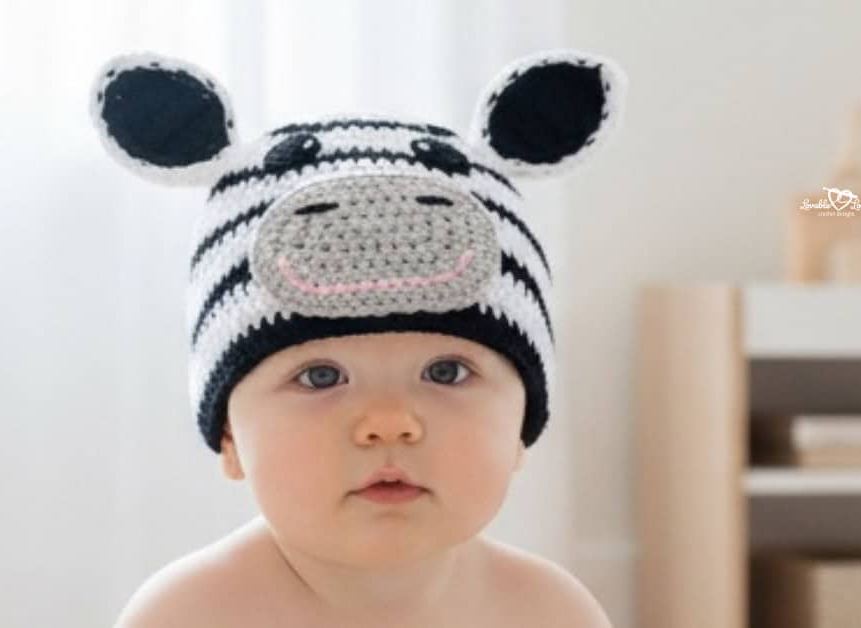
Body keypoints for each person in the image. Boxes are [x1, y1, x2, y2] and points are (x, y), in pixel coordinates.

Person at [89, 47, 627, 627]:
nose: (389, 421)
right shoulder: (189, 616)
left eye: (447, 371)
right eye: (320, 376)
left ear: (521, 427)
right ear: (229, 438)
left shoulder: (550, 613)